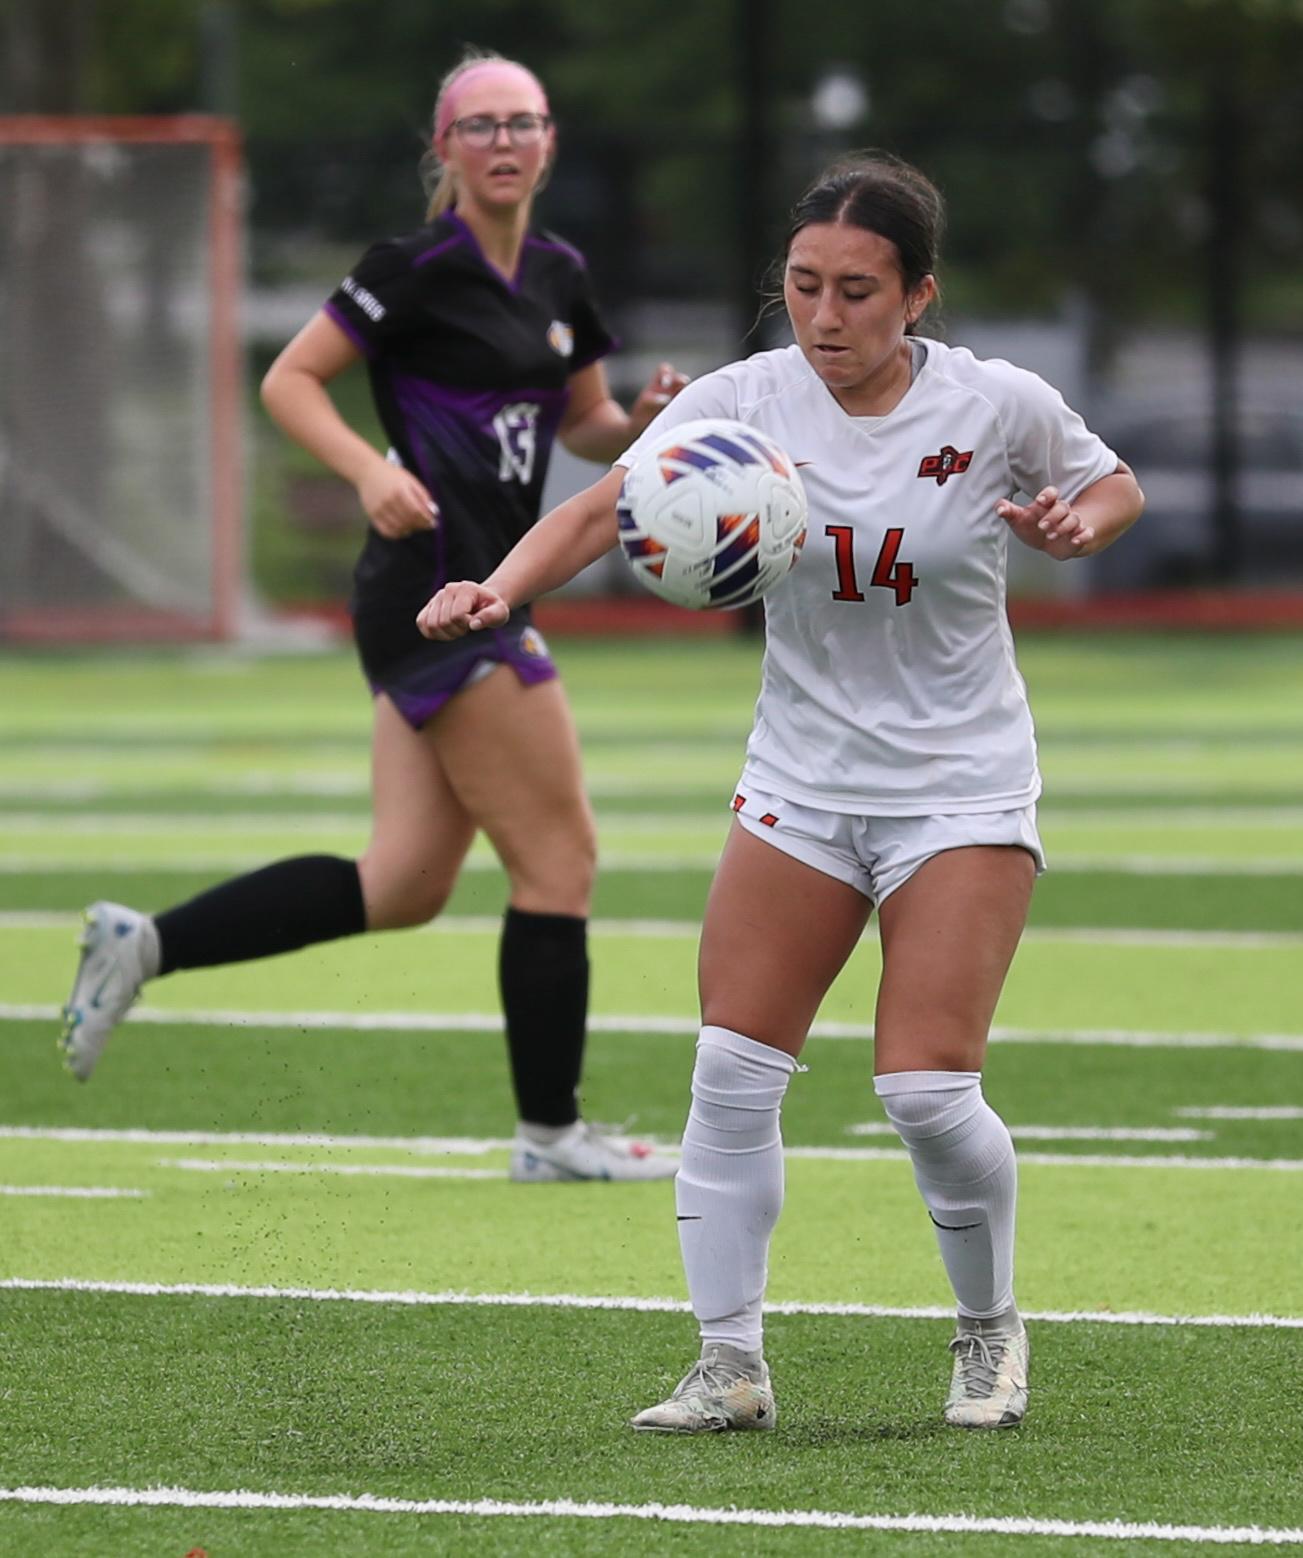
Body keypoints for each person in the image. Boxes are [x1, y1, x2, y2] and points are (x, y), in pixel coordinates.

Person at [415, 152, 1145, 1427]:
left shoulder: (994, 404)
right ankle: (729, 1363)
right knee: (731, 1070)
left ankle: (989, 1329)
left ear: (917, 295)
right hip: (800, 781)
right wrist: (498, 587)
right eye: (804, 285)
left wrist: (1082, 525)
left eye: (857, 291)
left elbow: (1111, 480)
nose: (824, 315)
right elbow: (600, 509)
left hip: (959, 784)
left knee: (925, 1090)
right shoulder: (742, 399)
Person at [58, 48, 689, 1185]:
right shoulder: (414, 266)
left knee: (403, 882)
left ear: (550, 141)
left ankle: (141, 943)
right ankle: (551, 1136)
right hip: (436, 593)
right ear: (444, 148)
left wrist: (641, 418)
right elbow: (289, 379)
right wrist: (365, 469)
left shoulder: (557, 272)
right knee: (562, 859)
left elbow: (582, 423)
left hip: (479, 589)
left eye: (523, 122)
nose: (504, 141)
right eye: (480, 124)